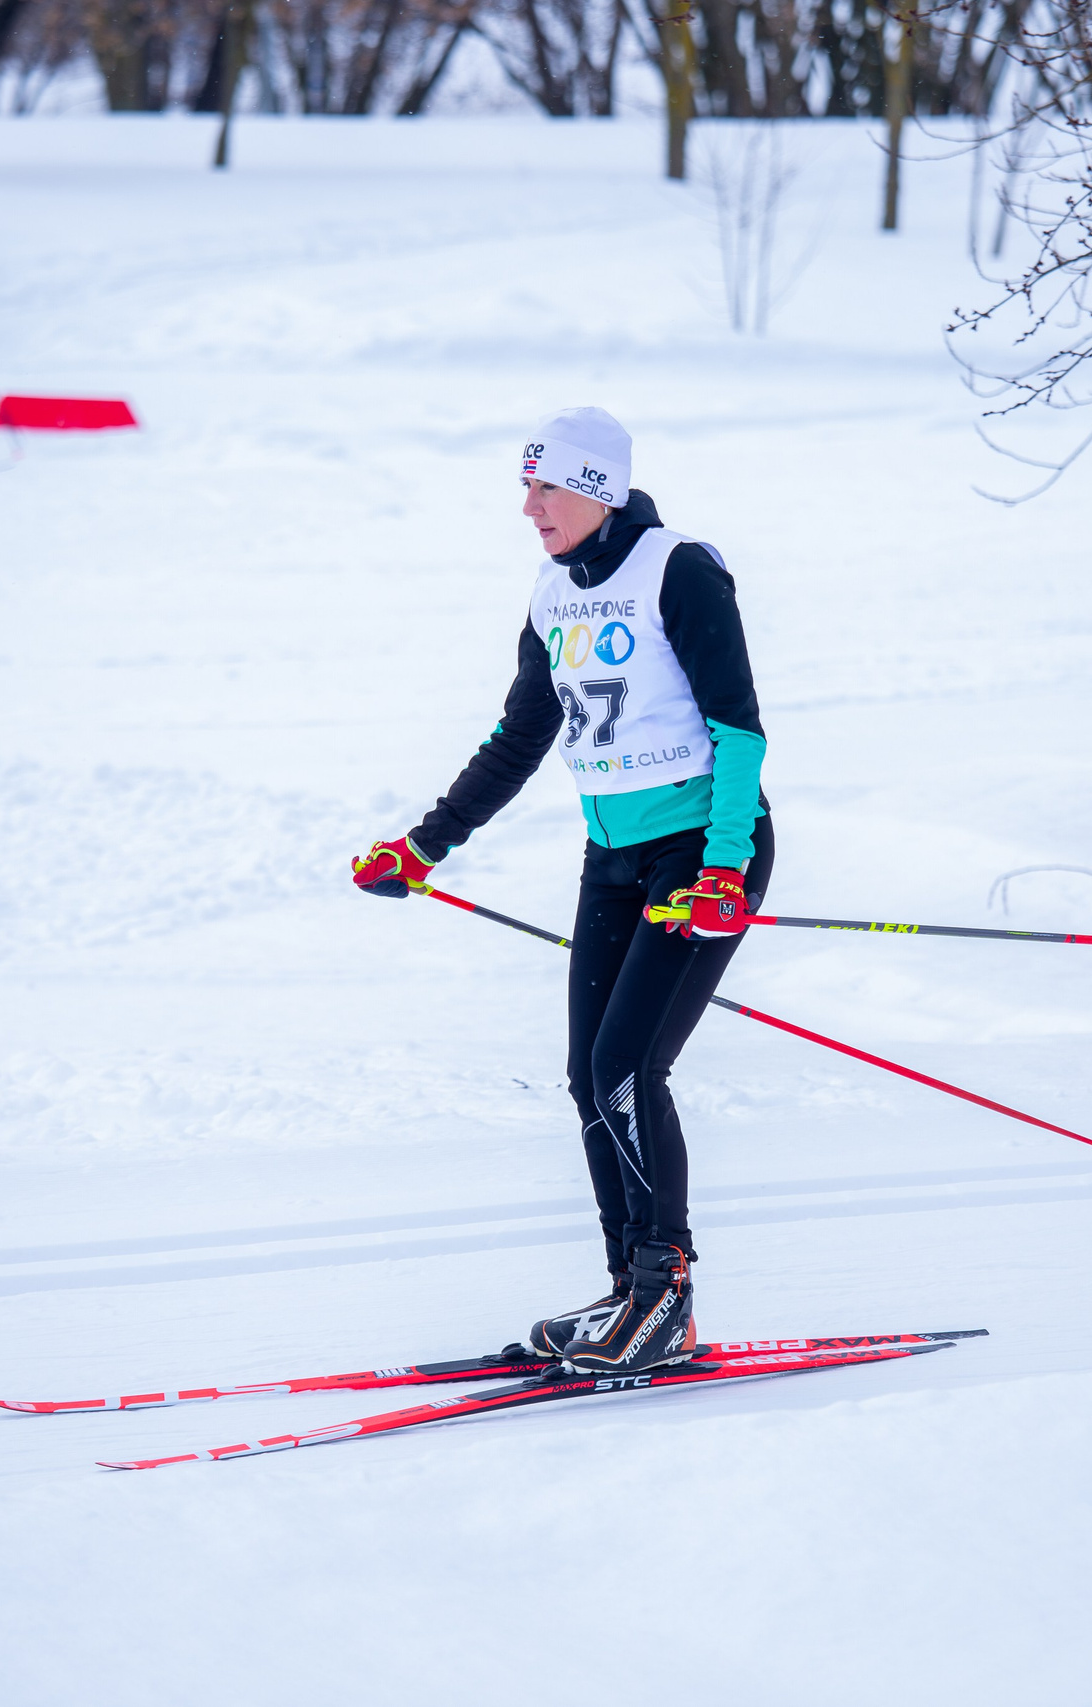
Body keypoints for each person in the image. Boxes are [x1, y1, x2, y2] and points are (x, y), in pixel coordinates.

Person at [350, 407, 772, 1376]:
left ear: (598, 490)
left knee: (629, 1069)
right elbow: (518, 739)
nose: (529, 508)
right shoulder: (552, 593)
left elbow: (739, 729)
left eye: (546, 488)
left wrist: (719, 865)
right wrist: (425, 845)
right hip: (613, 857)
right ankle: (630, 1289)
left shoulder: (677, 568)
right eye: (526, 488)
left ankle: (665, 1293)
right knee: (589, 1076)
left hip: (700, 852)